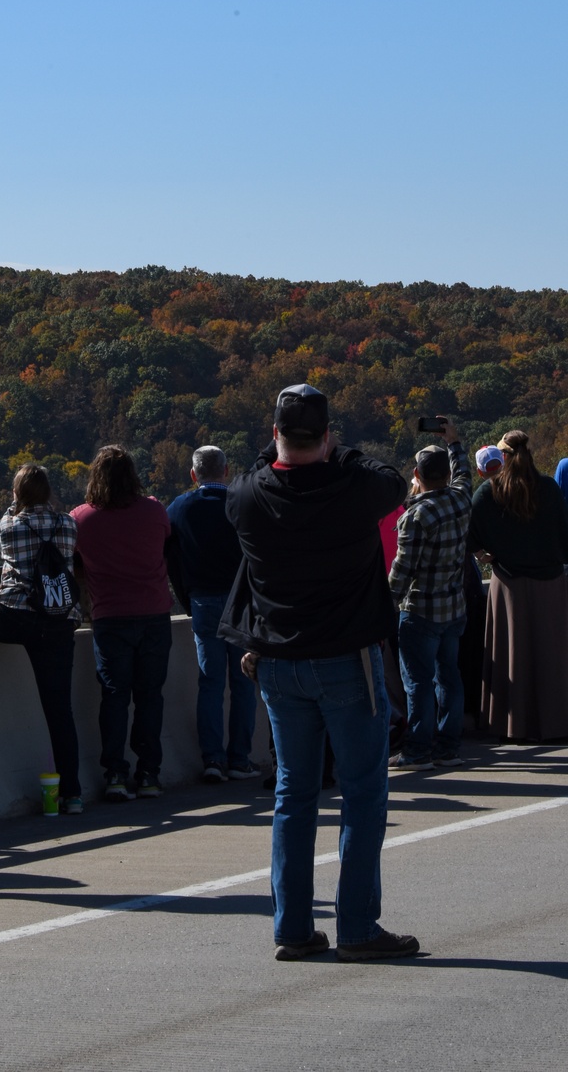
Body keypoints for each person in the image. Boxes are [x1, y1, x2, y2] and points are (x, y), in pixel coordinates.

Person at [221, 383, 418, 962]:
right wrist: (344, 452)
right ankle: (357, 927)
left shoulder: (247, 498)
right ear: (327, 438)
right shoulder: (356, 489)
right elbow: (388, 476)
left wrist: (276, 454)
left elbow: (256, 470)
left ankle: (294, 927)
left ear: (275, 435)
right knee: (361, 796)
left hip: (278, 664)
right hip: (347, 662)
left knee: (293, 796)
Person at [0, 464, 83, 813]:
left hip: (15, 616)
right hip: (59, 622)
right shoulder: (68, 524)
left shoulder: (10, 526)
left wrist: (14, 507)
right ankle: (72, 794)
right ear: (48, 491)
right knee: (60, 712)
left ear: (18, 493)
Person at [71, 446, 173, 802]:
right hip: (154, 614)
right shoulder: (154, 510)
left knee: (114, 696)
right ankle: (149, 774)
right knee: (150, 696)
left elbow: (74, 562)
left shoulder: (81, 519)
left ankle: (115, 773)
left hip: (110, 617)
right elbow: (165, 543)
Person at [166, 446, 260, 783]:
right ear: (226, 470)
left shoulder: (178, 509)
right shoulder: (242, 504)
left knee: (210, 682)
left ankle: (213, 760)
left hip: (203, 601)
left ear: (194, 474)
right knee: (244, 682)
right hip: (243, 602)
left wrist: (186, 597)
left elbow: (171, 558)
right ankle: (240, 758)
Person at [470, 430, 568, 741]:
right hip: (550, 584)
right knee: (551, 657)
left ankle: (511, 725)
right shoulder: (549, 489)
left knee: (512, 657)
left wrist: (485, 553)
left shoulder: (489, 492)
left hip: (508, 585)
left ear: (504, 457)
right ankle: (556, 722)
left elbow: (471, 537)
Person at [388, 421, 472, 770]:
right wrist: (453, 442)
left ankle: (418, 750)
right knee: (448, 675)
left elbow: (402, 571)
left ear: (416, 474)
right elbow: (464, 474)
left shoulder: (416, 516)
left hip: (420, 610)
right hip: (454, 606)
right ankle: (448, 745)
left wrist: (383, 606)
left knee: (418, 682)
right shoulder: (461, 499)